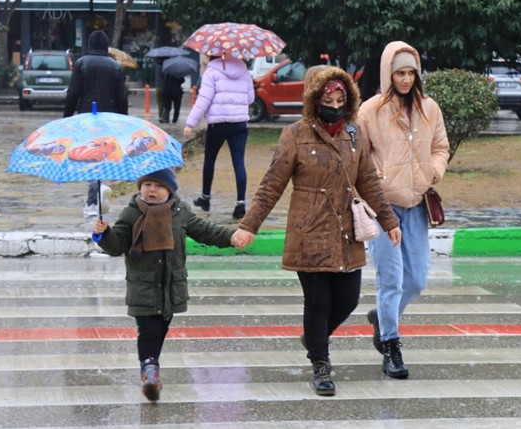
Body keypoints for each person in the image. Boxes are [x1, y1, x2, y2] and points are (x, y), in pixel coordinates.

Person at [232, 66, 402, 396]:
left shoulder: (354, 133)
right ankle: (321, 364)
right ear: (313, 99)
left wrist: (389, 220)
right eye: (328, 99)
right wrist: (248, 226)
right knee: (318, 302)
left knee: (349, 299)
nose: (335, 105)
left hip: (346, 231)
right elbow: (271, 186)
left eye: (341, 99)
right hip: (308, 231)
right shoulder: (295, 134)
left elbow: (368, 181)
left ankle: (314, 337)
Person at [92, 168, 250, 402]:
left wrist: (231, 237)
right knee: (148, 328)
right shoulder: (131, 213)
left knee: (161, 324)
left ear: (169, 190)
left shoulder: (180, 212)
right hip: (142, 285)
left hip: (171, 284)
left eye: (158, 186)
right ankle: (149, 370)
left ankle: (150, 367)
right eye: (147, 185)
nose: (152, 190)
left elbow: (205, 232)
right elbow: (117, 245)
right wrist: (104, 234)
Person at [358, 41, 450, 380]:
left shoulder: (429, 108)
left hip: (416, 205)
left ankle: (382, 317)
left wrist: (432, 172)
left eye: (411, 72)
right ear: (388, 74)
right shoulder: (370, 111)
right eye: (400, 72)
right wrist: (376, 181)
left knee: (417, 280)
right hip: (382, 207)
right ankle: (391, 344)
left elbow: (441, 146)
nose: (406, 79)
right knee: (392, 279)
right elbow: (359, 156)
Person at [63, 30, 129, 216]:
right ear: (106, 46)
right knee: (103, 153)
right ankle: (97, 190)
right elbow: (121, 96)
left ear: (90, 45)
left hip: (86, 116)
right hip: (110, 117)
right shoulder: (115, 67)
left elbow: (73, 93)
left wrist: (67, 118)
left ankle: (93, 200)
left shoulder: (81, 63)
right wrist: (124, 119)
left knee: (91, 155)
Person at [183, 55, 254, 220]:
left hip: (218, 124)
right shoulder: (244, 70)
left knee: (210, 160)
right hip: (240, 123)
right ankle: (240, 203)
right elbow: (250, 98)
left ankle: (205, 199)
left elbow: (204, 100)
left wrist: (190, 124)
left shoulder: (211, 71)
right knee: (239, 162)